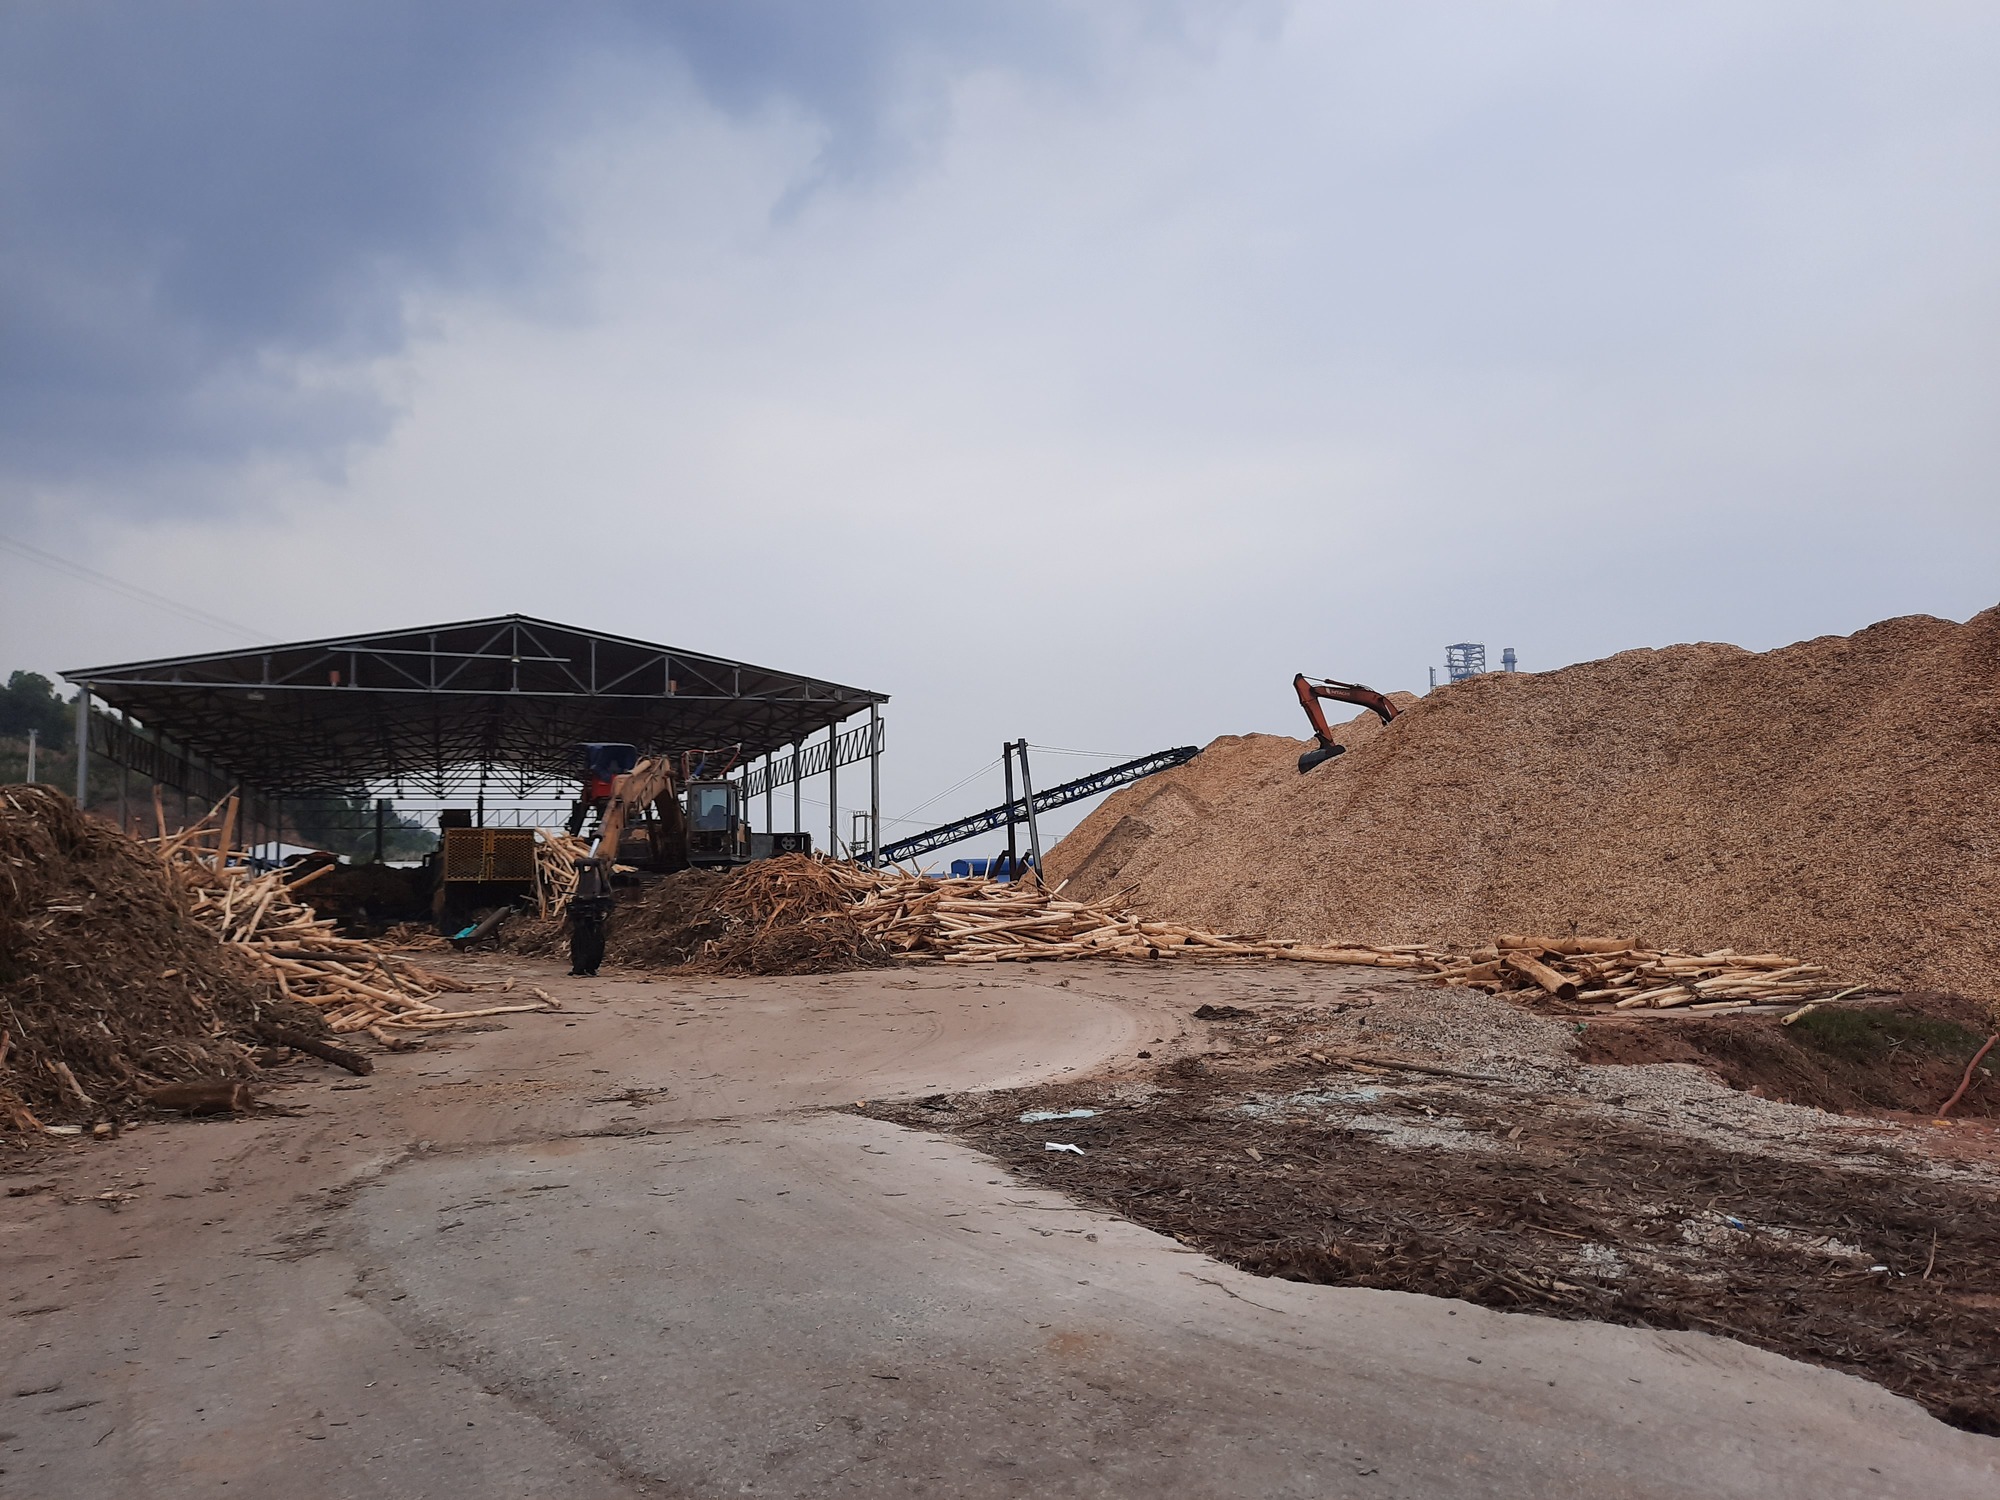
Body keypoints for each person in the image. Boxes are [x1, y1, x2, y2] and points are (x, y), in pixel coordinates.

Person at [567, 856, 615, 977]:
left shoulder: (599, 880)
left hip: (591, 912)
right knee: (582, 939)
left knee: (591, 939)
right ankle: (581, 966)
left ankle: (588, 967)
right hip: (585, 911)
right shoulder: (596, 879)